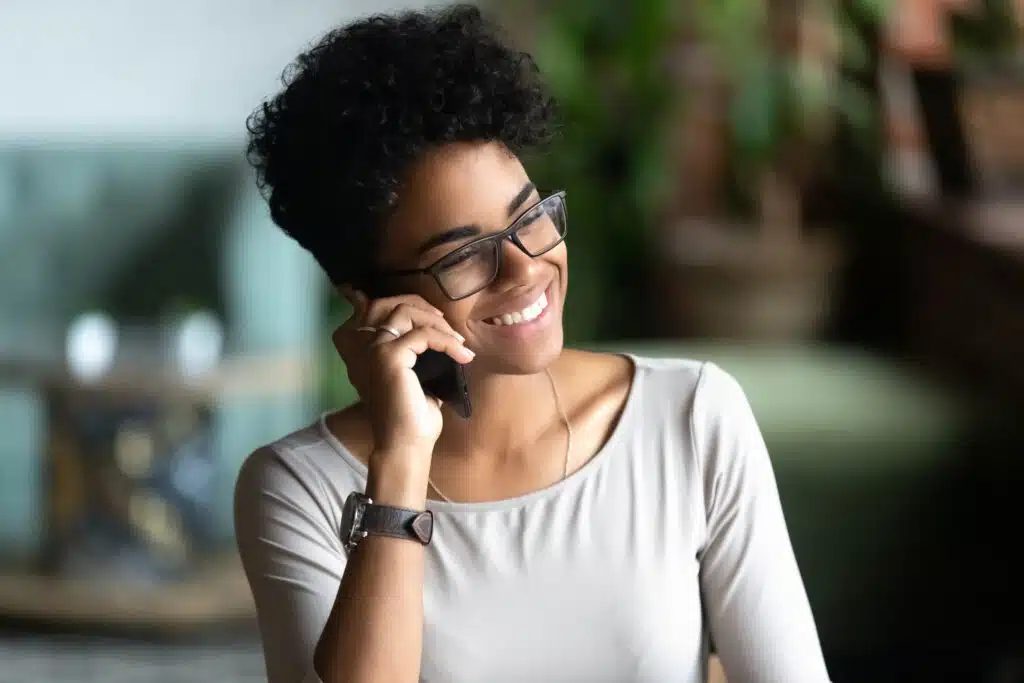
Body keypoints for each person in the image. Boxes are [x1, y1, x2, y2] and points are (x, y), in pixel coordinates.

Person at [233, 5, 831, 683]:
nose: (525, 267)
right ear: (366, 296)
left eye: (530, 216)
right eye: (463, 256)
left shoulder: (692, 419)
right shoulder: (297, 489)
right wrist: (400, 460)